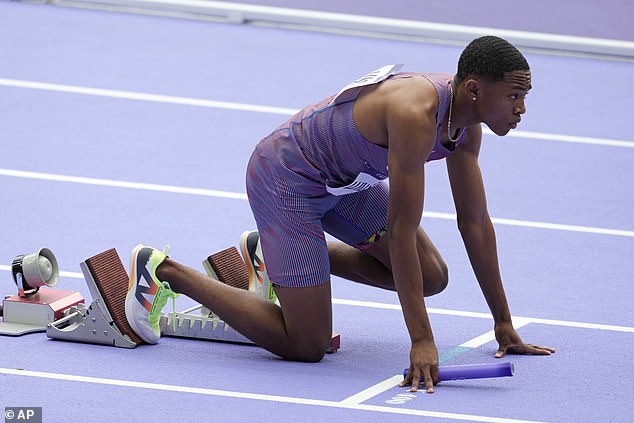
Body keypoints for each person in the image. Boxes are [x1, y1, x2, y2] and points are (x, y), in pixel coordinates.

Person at [124, 35, 555, 394]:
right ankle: (165, 271)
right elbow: (402, 233)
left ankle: (272, 259)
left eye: (525, 97)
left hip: (346, 185)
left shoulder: (465, 127)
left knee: (431, 278)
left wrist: (503, 323)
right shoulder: (415, 114)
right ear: (475, 90)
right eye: (514, 96)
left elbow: (475, 223)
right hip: (286, 178)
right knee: (306, 345)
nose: (521, 109)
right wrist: (422, 340)